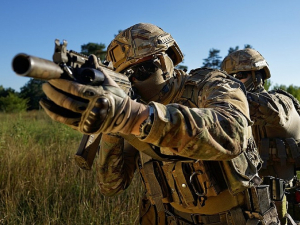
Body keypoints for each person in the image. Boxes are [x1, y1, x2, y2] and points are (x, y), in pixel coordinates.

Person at [40, 23, 279, 224]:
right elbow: (111, 186)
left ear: (165, 61)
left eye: (141, 70)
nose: (134, 81)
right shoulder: (133, 105)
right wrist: (113, 128)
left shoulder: (210, 84)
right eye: (127, 77)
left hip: (234, 218)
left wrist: (136, 117)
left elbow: (233, 132)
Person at [221, 48, 300, 224]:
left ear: (258, 76)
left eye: (240, 75)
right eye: (228, 78)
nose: (233, 83)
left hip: (282, 207)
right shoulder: (228, 112)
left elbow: (267, 109)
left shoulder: (281, 103)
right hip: (248, 209)